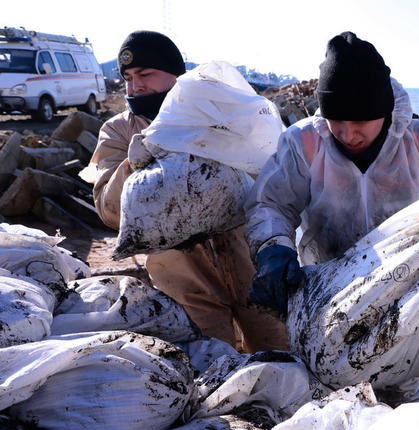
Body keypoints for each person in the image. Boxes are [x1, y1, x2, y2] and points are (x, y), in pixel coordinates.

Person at [245, 31, 419, 402]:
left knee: (400, 371)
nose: (347, 134)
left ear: (385, 109)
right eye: (336, 120)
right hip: (329, 282)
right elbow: (271, 204)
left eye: (361, 120)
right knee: (334, 377)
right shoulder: (303, 143)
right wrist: (274, 246)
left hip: (405, 283)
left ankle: (408, 399)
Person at [85, 30, 287, 353]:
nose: (135, 86)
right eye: (127, 78)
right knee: (211, 369)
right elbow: (108, 210)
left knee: (280, 355)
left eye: (145, 75)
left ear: (175, 76)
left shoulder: (215, 113)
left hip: (251, 268)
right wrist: (132, 166)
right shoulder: (118, 131)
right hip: (184, 285)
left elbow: (263, 172)